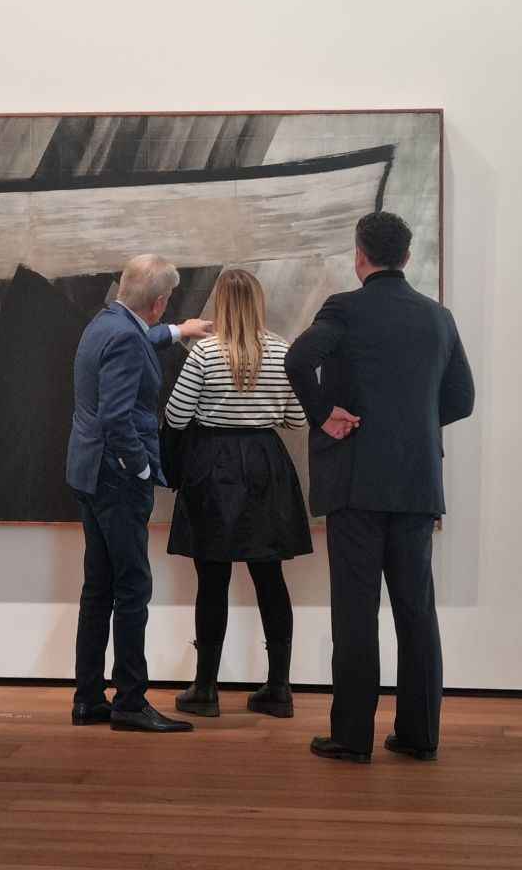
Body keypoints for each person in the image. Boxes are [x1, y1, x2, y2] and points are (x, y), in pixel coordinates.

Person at [285, 211, 475, 764]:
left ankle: (351, 737)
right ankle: (420, 735)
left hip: (357, 483)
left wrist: (324, 414)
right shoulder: (438, 317)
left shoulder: (345, 308)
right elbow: (461, 400)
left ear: (359, 256)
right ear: (407, 257)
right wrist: (412, 423)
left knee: (356, 611)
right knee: (417, 611)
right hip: (417, 482)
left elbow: (299, 359)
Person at [66, 254, 212, 732]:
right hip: (118, 477)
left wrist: (177, 331)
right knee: (132, 587)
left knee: (99, 588)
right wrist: (143, 466)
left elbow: (137, 341)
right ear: (160, 301)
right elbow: (117, 417)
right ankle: (130, 700)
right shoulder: (126, 336)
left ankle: (89, 697)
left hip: (89, 471)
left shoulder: (105, 321)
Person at [163, 268, 312, 718]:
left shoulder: (205, 352)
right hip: (266, 463)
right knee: (270, 577)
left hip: (214, 464)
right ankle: (279, 689)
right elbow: (297, 419)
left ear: (221, 306)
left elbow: (176, 416)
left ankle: (205, 690)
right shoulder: (282, 351)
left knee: (212, 579)